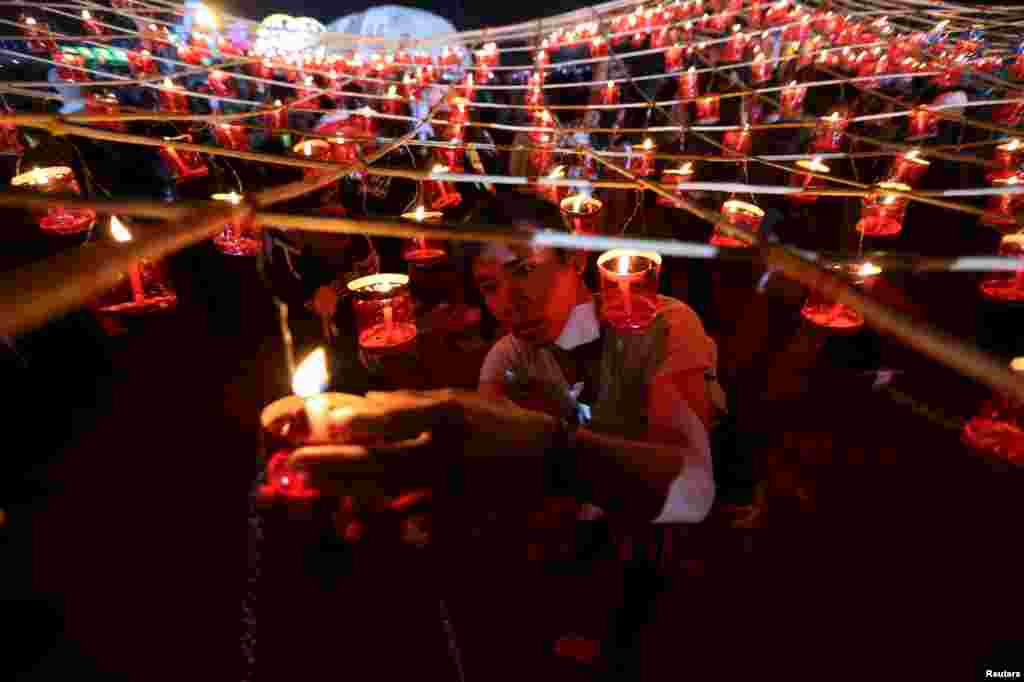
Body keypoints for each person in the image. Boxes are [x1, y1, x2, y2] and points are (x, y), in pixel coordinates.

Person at [292, 194, 724, 678]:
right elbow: (500, 474)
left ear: (576, 258)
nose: (511, 301)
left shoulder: (662, 324)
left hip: (665, 565)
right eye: (490, 285)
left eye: (525, 269)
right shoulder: (508, 358)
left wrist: (545, 446)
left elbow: (690, 488)